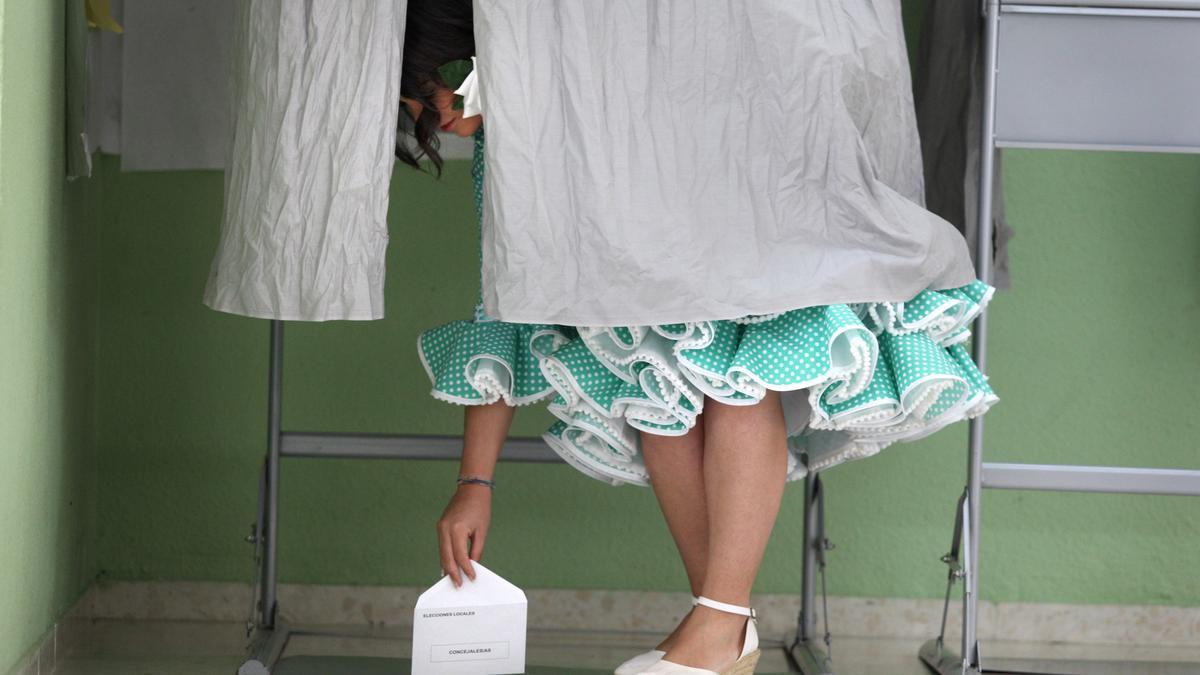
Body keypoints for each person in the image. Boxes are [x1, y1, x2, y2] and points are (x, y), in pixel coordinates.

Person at [396, 2, 998, 673]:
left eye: (436, 88)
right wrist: (474, 480)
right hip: (650, 268)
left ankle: (719, 621)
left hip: (737, 186)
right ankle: (720, 618)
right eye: (419, 109)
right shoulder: (514, 154)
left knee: (733, 373)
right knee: (659, 395)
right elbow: (503, 304)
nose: (437, 116)